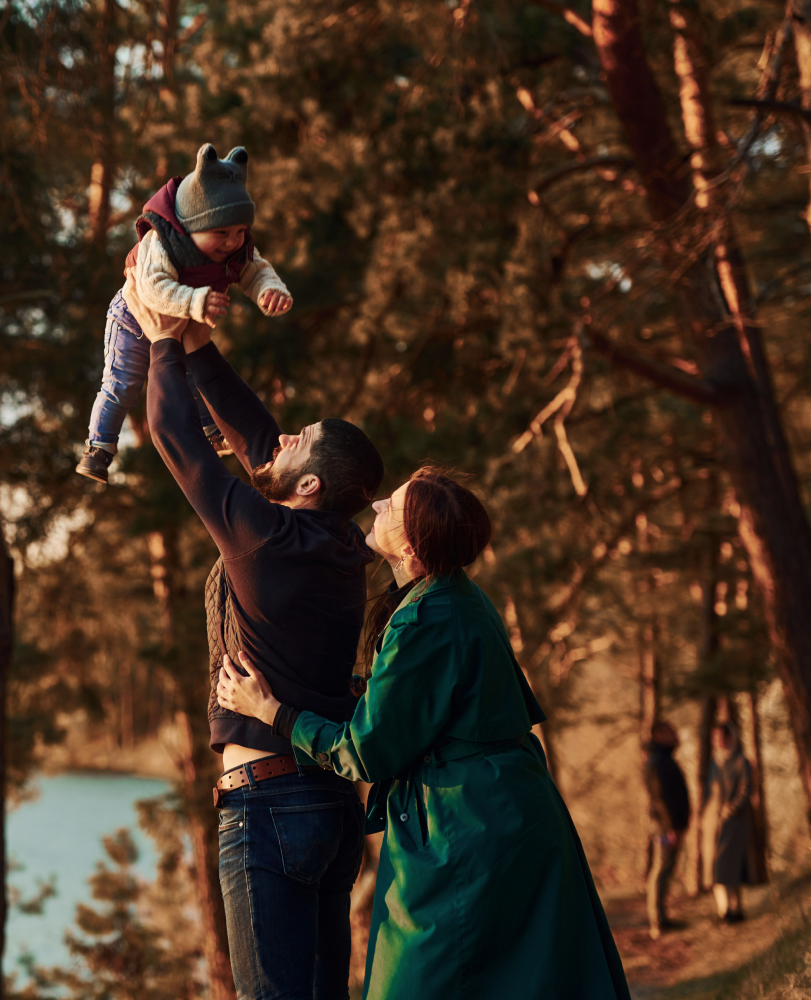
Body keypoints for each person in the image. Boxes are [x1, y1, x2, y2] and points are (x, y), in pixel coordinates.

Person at [217, 467, 632, 1000]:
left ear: (410, 547)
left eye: (392, 506)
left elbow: (363, 754)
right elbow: (412, 702)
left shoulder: (426, 618)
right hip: (504, 814)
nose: (377, 504)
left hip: (467, 828)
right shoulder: (456, 597)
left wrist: (271, 710)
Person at [140, 311, 385, 999]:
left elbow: (178, 442)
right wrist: (197, 346)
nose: (282, 437)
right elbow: (261, 448)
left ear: (310, 487)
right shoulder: (339, 546)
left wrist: (160, 340)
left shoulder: (268, 539)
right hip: (331, 804)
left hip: (270, 803)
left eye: (300, 440)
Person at [77, 143, 292, 483]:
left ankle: (211, 431)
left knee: (195, 377)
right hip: (133, 319)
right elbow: (151, 287)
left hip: (181, 324)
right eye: (220, 233)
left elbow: (255, 269)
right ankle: (99, 447)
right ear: (192, 225)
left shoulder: (235, 246)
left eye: (239, 232)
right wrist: (195, 302)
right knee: (123, 384)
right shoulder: (162, 242)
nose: (231, 242)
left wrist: (270, 289)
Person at [643, 721, 691, 939]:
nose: (676, 735)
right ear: (660, 735)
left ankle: (661, 918)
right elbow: (662, 798)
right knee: (661, 869)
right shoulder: (658, 762)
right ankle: (658, 921)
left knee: (664, 869)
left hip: (668, 826)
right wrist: (672, 828)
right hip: (664, 828)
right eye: (672, 732)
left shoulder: (663, 760)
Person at [708, 721, 759, 923]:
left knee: (731, 867)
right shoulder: (715, 763)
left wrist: (732, 809)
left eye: (721, 737)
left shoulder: (740, 761)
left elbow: (746, 790)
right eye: (715, 737)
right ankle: (725, 910)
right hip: (715, 822)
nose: (718, 741)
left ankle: (734, 910)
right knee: (719, 868)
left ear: (730, 738)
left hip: (734, 822)